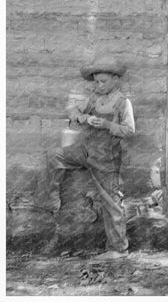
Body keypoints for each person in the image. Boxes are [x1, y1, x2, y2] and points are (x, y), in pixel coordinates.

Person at [39, 57, 135, 260]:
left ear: (115, 80)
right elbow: (73, 111)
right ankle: (49, 203)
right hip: (86, 150)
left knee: (111, 202)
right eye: (96, 81)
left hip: (106, 157)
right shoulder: (93, 98)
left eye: (103, 81)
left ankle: (118, 249)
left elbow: (129, 131)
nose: (99, 85)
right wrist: (84, 118)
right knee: (53, 156)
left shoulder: (122, 102)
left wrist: (108, 125)